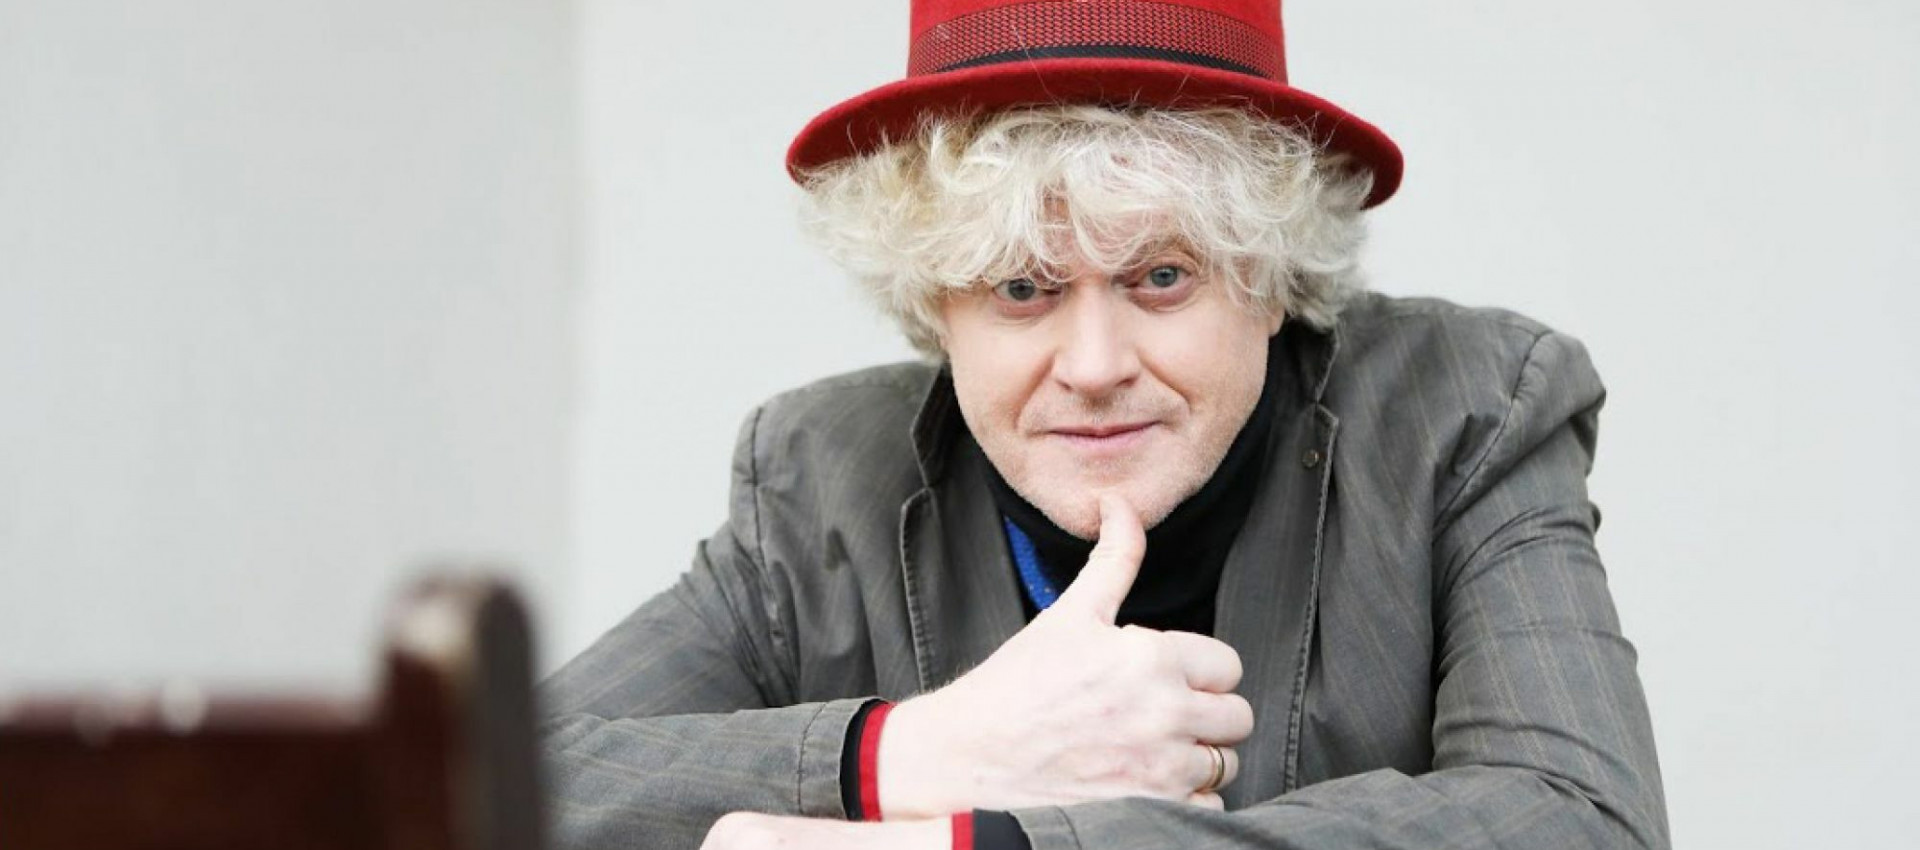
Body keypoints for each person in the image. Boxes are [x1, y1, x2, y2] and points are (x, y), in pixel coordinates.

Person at [537, 1, 1670, 848]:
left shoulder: (1469, 410)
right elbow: (486, 788)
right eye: (1021, 287)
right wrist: (903, 756)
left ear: (1271, 276)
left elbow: (1582, 819)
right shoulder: (816, 482)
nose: (1092, 367)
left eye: (1162, 275)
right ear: (936, 303)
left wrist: (999, 841)